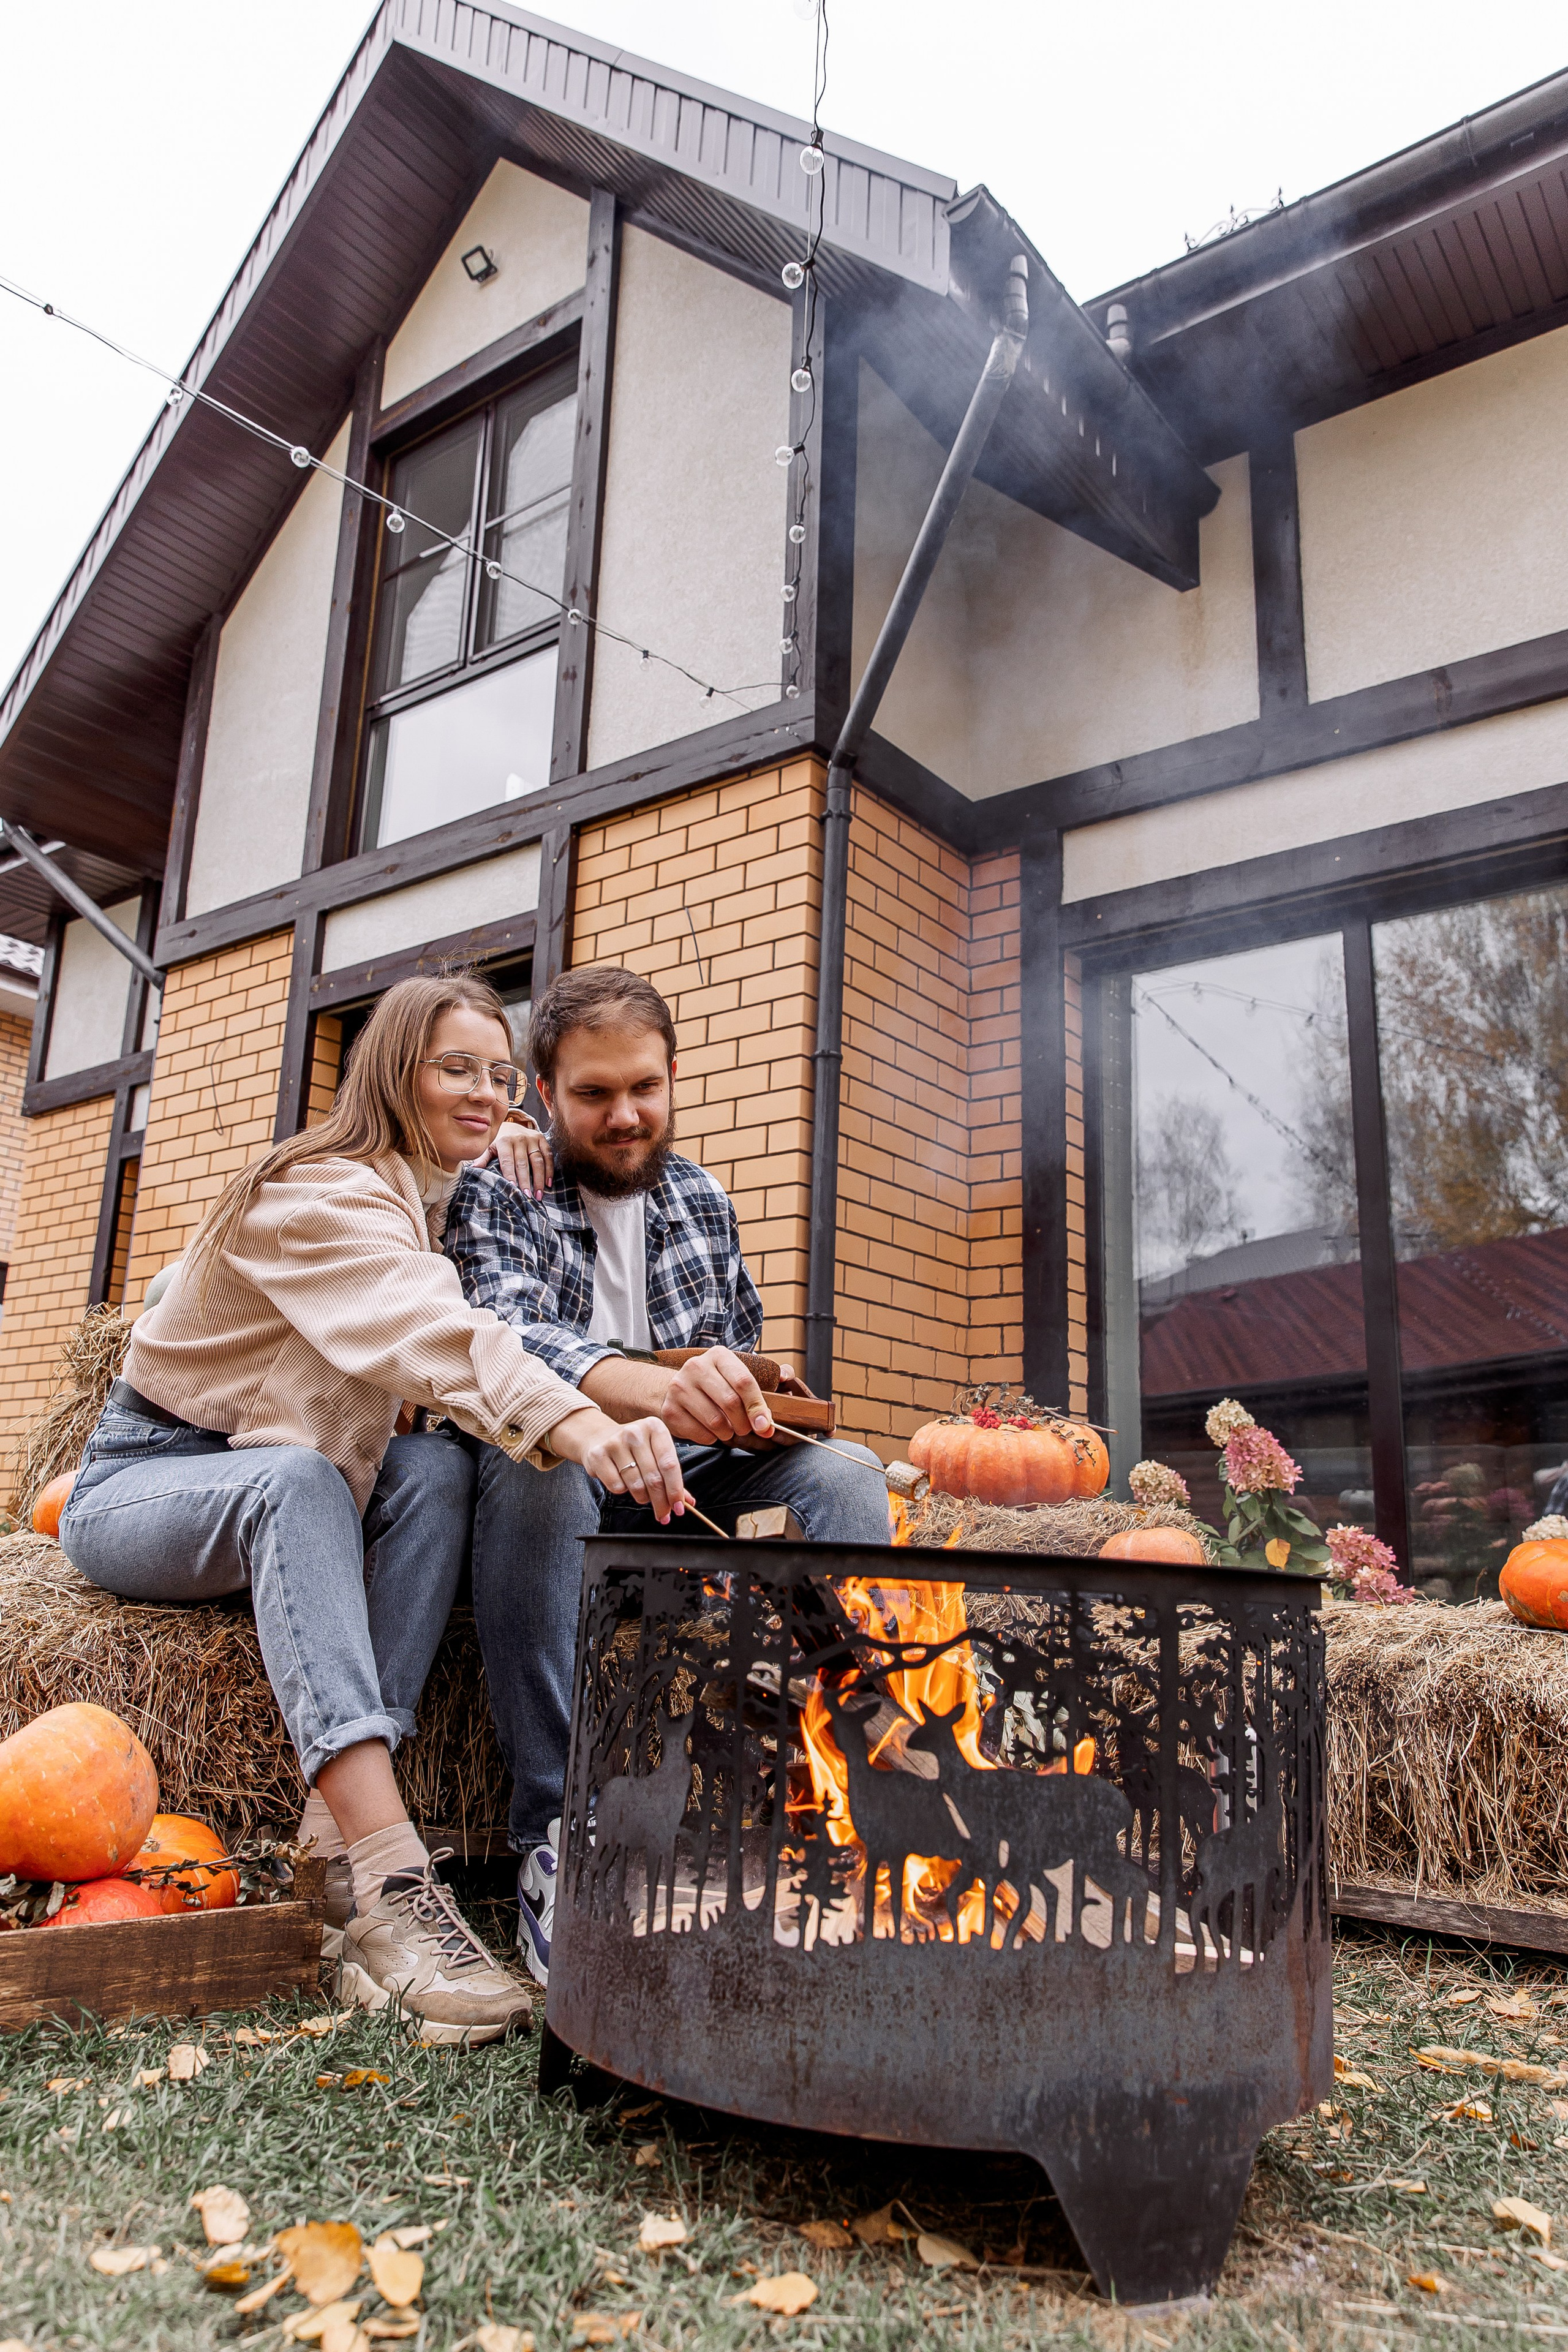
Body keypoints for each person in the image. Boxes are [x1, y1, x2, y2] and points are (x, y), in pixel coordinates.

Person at [58, 974, 689, 2044]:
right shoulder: (323, 1194)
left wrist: (509, 1139)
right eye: (457, 1068)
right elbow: (439, 1334)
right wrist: (584, 1428)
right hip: (147, 1482)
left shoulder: (430, 1188)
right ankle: (393, 1885)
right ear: (396, 1070)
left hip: (286, 1471)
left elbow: (459, 1227)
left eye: (501, 1075)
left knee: (435, 1474)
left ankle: (329, 1843)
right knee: (297, 1478)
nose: (486, 1094)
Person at [443, 963, 891, 1986]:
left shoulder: (700, 1197)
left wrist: (751, 1388)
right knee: (538, 1466)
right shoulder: (497, 1187)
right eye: (594, 1095)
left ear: (675, 1076)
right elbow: (509, 1341)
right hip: (552, 1458)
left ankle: (839, 1782)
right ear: (546, 1095)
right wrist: (646, 1392)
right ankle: (558, 1831)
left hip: (683, 1472)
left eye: (644, 1088)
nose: (625, 1116)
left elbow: (730, 1346)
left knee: (851, 1478)